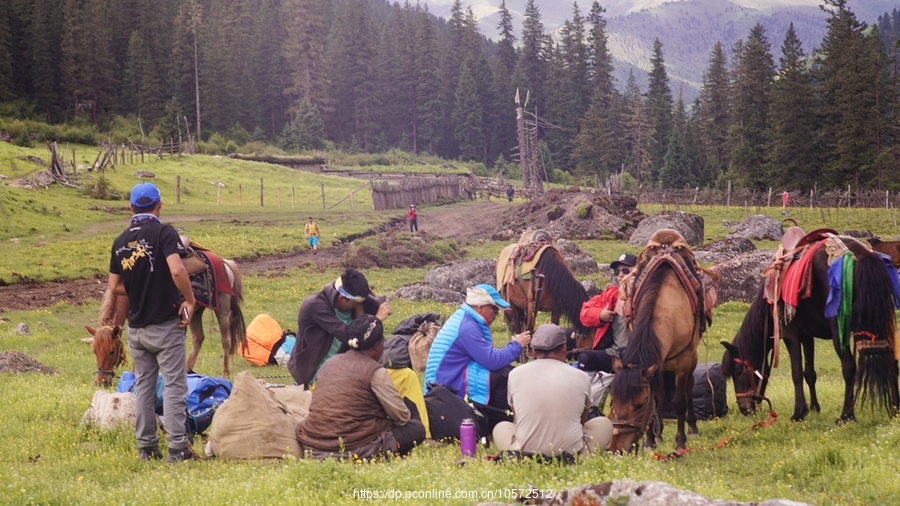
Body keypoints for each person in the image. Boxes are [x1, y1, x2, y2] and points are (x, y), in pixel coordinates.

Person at [108, 182, 198, 463]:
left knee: (144, 386)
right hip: (166, 326)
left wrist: (139, 288)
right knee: (173, 385)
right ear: (159, 204)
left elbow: (114, 286)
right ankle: (177, 448)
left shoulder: (120, 241)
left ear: (131, 207)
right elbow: (177, 268)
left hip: (136, 329)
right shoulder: (164, 232)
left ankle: (146, 448)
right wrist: (189, 299)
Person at [296, 315, 426, 459]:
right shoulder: (375, 372)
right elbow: (401, 417)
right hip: (354, 448)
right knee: (416, 429)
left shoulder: (329, 364)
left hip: (313, 446)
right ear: (377, 346)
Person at [493, 324, 613, 455]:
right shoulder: (581, 376)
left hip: (525, 452)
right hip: (571, 454)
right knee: (604, 424)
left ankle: (517, 453)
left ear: (533, 351)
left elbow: (517, 417)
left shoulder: (515, 374)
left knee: (501, 427)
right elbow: (581, 420)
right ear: (564, 349)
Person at [424, 284, 531, 430]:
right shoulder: (467, 327)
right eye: (494, 309)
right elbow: (491, 361)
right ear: (480, 307)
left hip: (448, 380)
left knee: (504, 371)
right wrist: (516, 345)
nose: (496, 315)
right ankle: (498, 424)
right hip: (447, 388)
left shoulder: (465, 319)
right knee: (505, 375)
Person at [287, 268, 392, 387]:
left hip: (341, 370)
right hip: (316, 376)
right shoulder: (315, 305)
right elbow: (348, 334)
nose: (358, 306)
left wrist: (361, 308)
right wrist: (376, 320)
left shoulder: (354, 297)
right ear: (342, 298)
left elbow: (360, 321)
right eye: (356, 304)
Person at [575, 253, 637, 374]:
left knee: (626, 354)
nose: (620, 275)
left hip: (638, 352)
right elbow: (584, 313)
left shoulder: (647, 295)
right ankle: (589, 391)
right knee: (585, 358)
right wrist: (599, 315)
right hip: (613, 352)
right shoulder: (612, 293)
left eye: (625, 271)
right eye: (617, 272)